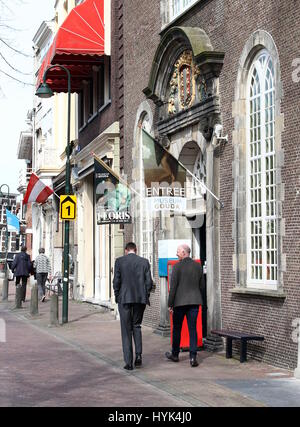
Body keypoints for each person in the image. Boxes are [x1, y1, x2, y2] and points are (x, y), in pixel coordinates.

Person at [113, 242, 153, 371]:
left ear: (126, 250)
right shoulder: (144, 262)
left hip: (124, 299)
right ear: (136, 250)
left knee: (126, 330)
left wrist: (117, 295)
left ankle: (128, 362)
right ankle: (139, 355)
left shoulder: (119, 262)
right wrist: (145, 295)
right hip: (140, 299)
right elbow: (149, 282)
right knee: (137, 326)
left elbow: (116, 281)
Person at [165, 244, 205, 367]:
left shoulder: (177, 267)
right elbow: (202, 286)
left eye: (178, 252)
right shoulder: (198, 266)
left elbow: (173, 288)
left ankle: (175, 354)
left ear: (184, 252)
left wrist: (170, 304)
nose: (176, 254)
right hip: (194, 302)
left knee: (177, 329)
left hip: (179, 303)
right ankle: (193, 357)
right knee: (193, 329)